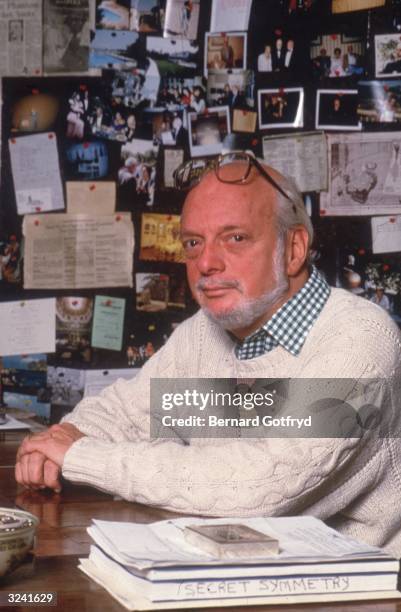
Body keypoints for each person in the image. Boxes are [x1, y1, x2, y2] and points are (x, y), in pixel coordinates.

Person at [15, 152, 401, 555]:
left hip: (355, 589)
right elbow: (124, 413)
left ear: (294, 249)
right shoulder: (204, 332)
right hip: (231, 570)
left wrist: (79, 455)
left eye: (235, 238)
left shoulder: (360, 341)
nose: (207, 263)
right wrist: (59, 442)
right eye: (193, 243)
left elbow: (259, 486)